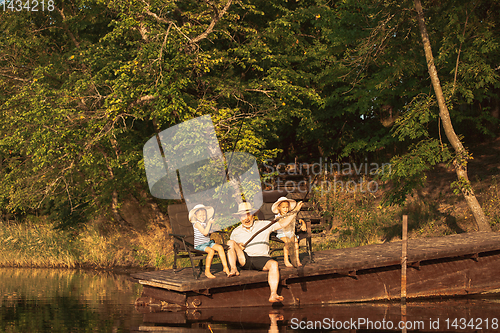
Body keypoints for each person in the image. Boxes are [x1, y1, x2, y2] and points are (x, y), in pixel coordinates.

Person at [227, 201, 303, 303]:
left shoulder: (264, 225)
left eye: (249, 215)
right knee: (230, 242)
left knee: (274, 264)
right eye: (243, 216)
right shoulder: (236, 231)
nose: (246, 218)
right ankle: (233, 269)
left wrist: (296, 211)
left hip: (262, 258)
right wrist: (238, 246)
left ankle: (273, 294)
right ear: (240, 218)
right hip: (245, 258)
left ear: (253, 215)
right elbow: (232, 248)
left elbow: (284, 223)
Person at [189, 204, 231, 279]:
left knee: (220, 247)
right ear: (195, 216)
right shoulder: (197, 224)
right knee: (211, 251)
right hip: (200, 245)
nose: (202, 217)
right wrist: (209, 224)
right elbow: (205, 233)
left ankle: (225, 267)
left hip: (208, 243)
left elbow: (207, 232)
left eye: (204, 215)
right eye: (200, 215)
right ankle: (207, 271)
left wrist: (210, 230)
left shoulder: (204, 223)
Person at [271, 197, 307, 268]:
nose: (285, 209)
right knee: (288, 242)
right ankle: (286, 260)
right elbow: (281, 223)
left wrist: (303, 223)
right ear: (279, 208)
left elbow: (299, 220)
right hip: (282, 234)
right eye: (283, 207)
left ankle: (297, 259)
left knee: (296, 241)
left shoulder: (291, 214)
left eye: (287, 207)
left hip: (291, 233)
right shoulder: (278, 217)